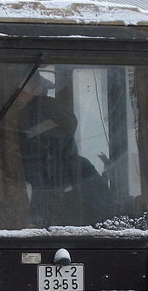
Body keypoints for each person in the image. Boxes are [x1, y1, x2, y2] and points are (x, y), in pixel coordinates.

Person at [10, 71, 105, 225]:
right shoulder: (82, 169)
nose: (14, 99)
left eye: (18, 91)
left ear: (37, 90)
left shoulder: (80, 170)